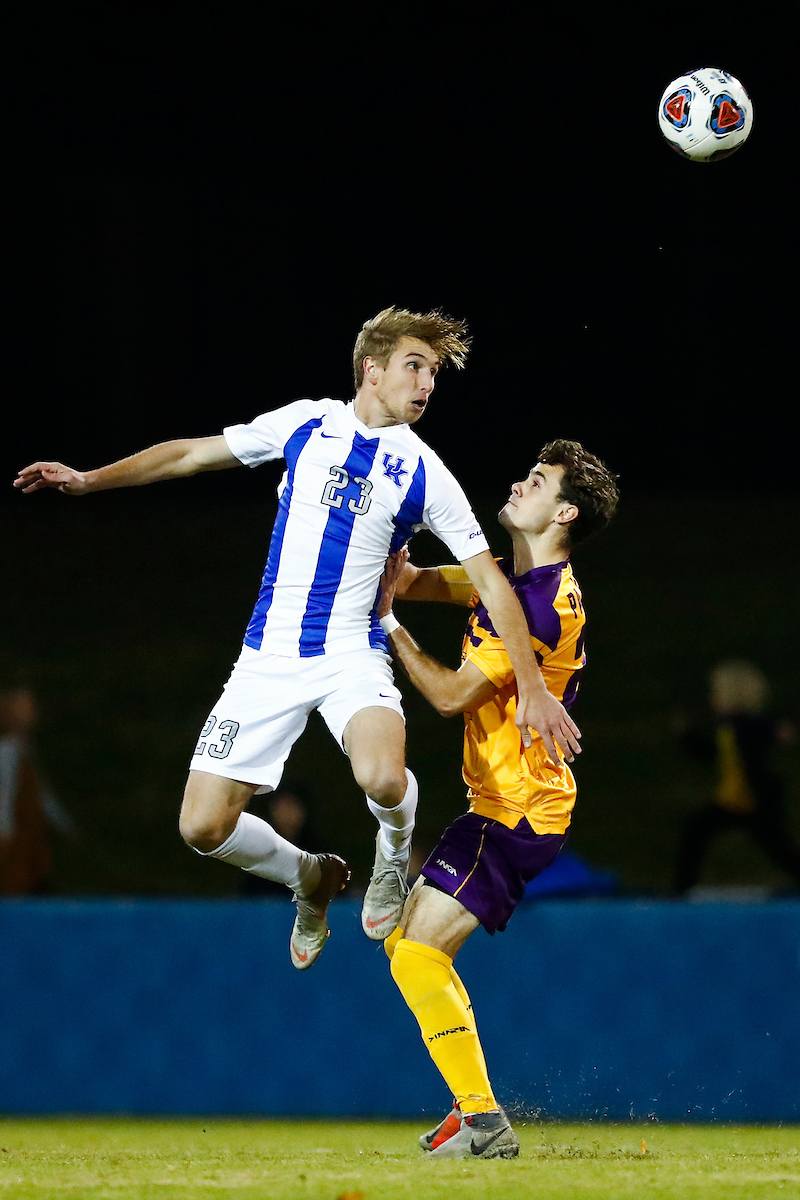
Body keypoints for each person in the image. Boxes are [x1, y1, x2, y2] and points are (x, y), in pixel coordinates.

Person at [14, 306, 581, 970]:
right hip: (269, 656)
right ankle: (308, 878)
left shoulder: (425, 473)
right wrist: (90, 479)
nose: (427, 383)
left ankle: (393, 856)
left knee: (383, 777)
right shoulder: (306, 422)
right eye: (414, 366)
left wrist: (535, 686)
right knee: (201, 827)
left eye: (433, 372)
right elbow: (193, 454)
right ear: (372, 370)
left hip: (352, 653)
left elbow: (490, 583)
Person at [376, 438, 619, 1158]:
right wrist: (386, 560)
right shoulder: (516, 582)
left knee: (416, 955)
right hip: (503, 807)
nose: (520, 481)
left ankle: (484, 1123)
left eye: (538, 481)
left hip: (517, 811)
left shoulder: (542, 605)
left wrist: (387, 624)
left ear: (564, 512)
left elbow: (452, 696)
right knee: (407, 948)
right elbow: (427, 582)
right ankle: (474, 1115)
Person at [673, 659, 800, 895]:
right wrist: (688, 738)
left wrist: (776, 730)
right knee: (696, 831)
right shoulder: (727, 727)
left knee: (778, 846)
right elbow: (715, 756)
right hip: (731, 799)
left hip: (754, 801)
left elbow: (761, 730)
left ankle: (682, 888)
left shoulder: (745, 724)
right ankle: (683, 887)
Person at [0, 681, 75, 895]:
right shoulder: (6, 751)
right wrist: (5, 828)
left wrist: (63, 823)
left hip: (29, 831)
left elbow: (42, 793)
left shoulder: (25, 749)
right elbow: (5, 793)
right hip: (13, 832)